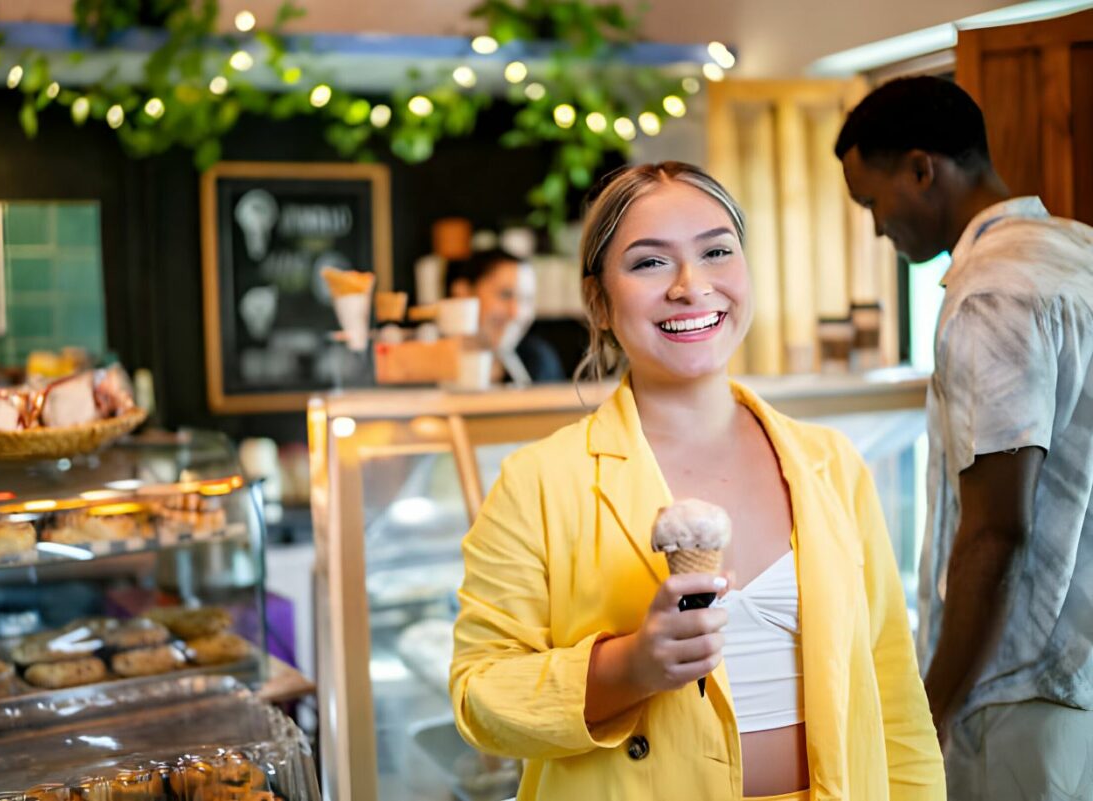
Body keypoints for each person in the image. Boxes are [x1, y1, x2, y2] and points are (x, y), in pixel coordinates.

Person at [449, 161, 943, 800]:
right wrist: (629, 667)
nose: (691, 285)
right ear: (599, 301)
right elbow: (478, 695)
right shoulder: (537, 482)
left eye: (716, 251)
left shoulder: (829, 463)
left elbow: (892, 691)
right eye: (650, 263)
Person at [836, 76, 1093, 800]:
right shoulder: (1078, 251)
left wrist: (932, 704)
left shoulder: (989, 294)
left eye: (871, 202)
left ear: (923, 169)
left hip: (1021, 688)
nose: (878, 228)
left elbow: (995, 532)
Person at [446, 248, 565, 384]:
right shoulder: (423, 362)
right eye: (505, 295)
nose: (516, 313)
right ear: (463, 293)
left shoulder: (539, 361)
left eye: (526, 299)